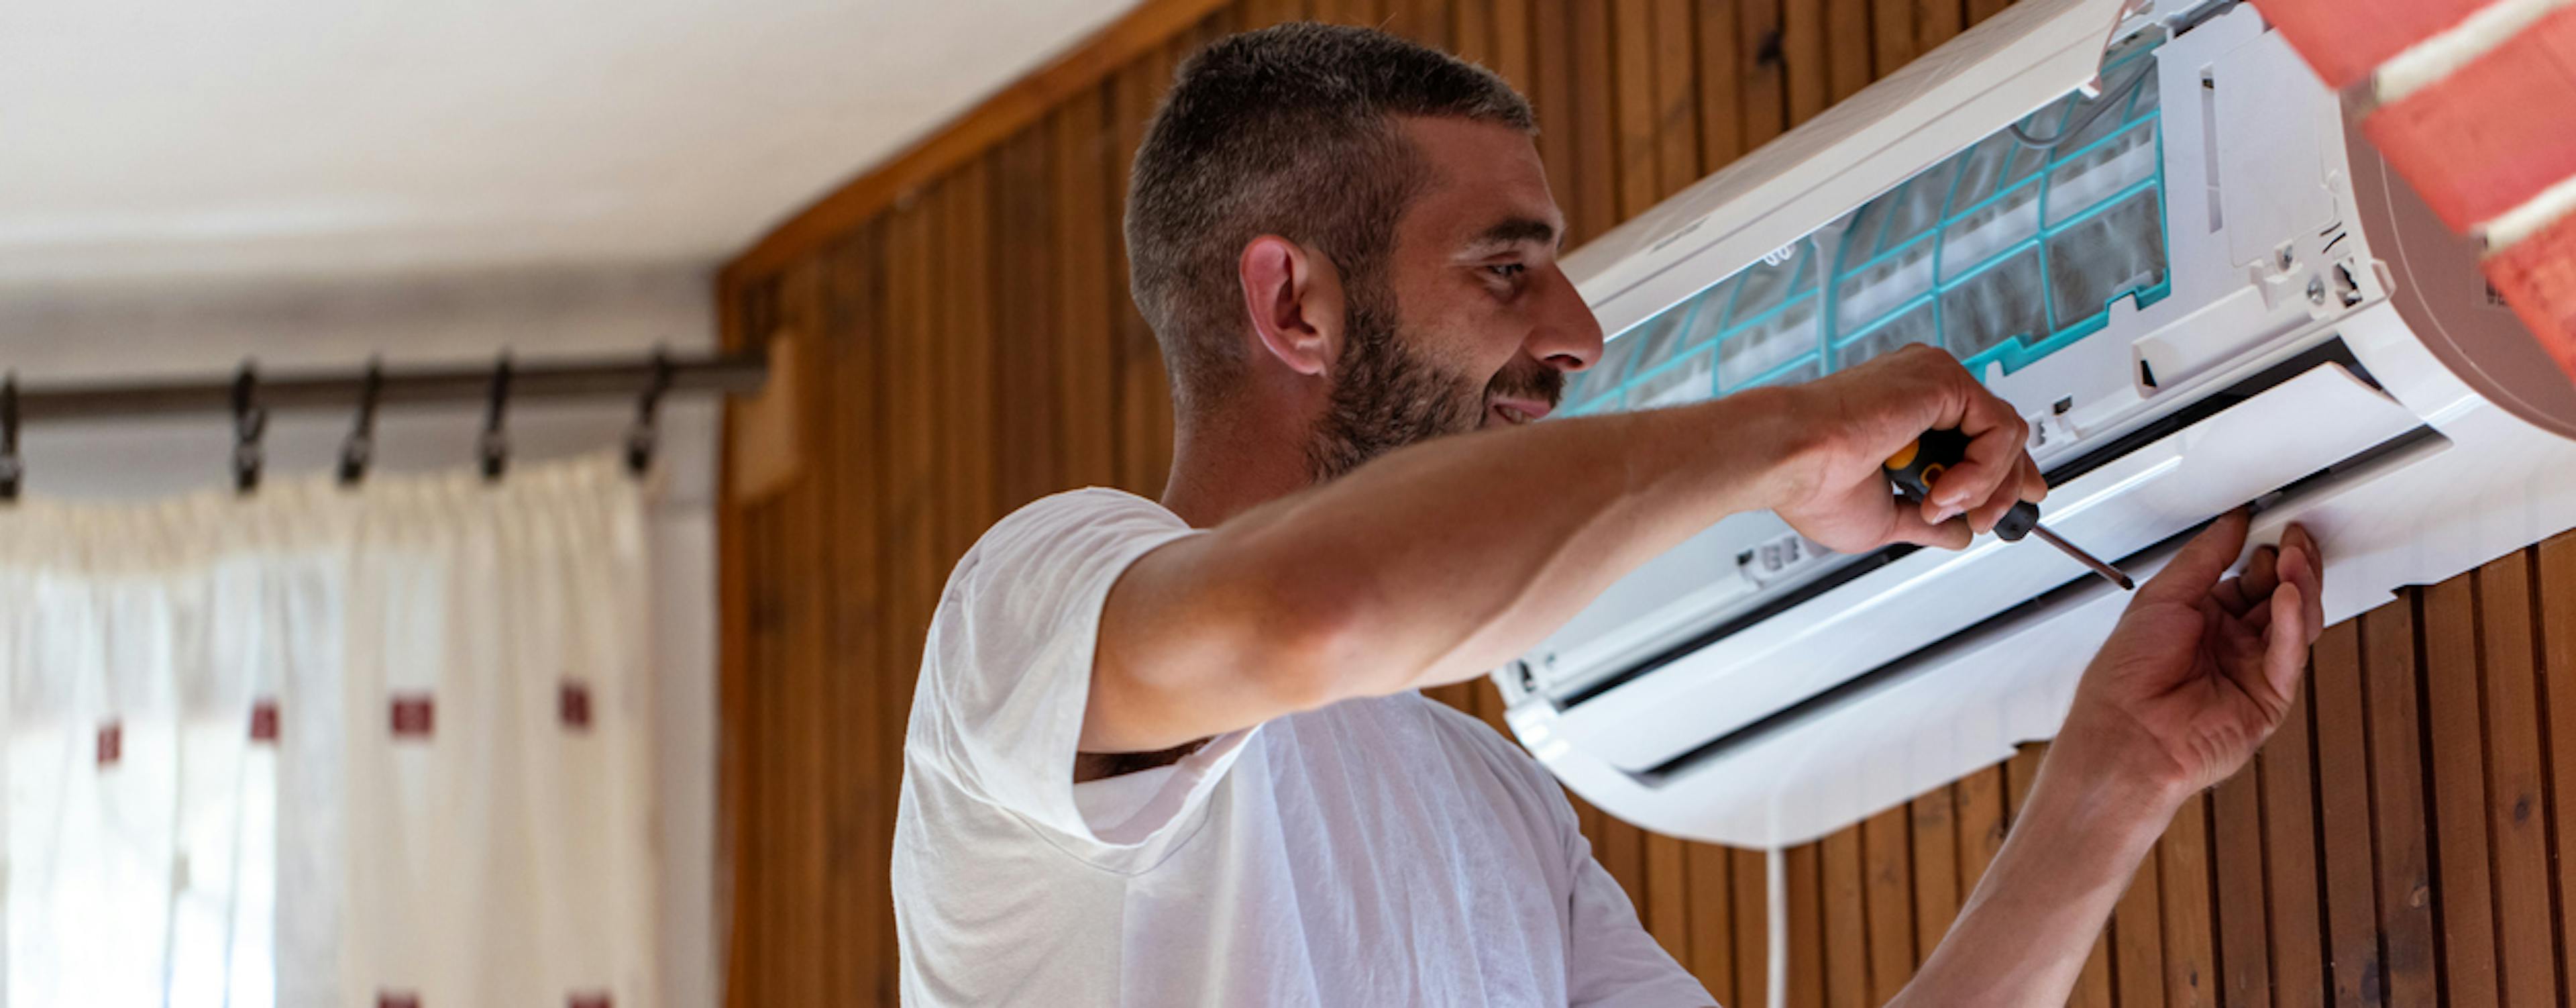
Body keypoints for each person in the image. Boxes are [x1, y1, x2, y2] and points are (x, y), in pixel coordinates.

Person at [891, 21, 2324, 1007]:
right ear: (1292, 303)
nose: (1578, 331)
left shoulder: (1493, 805)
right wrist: (1798, 433)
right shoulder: (1033, 604)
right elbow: (1314, 608)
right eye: (1506, 270)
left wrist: (2115, 776)